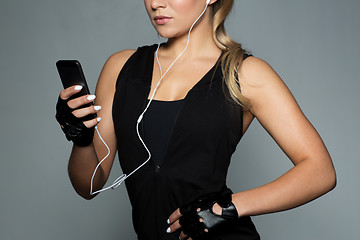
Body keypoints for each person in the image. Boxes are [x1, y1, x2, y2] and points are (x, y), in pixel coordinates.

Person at [55, 0, 336, 239]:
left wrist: (226, 208)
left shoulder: (245, 74)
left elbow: (320, 171)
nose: (155, 3)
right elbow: (89, 186)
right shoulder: (121, 68)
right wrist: (80, 139)